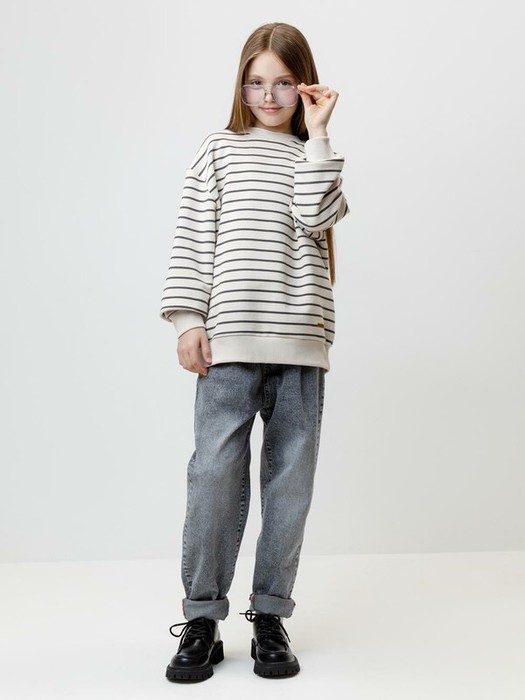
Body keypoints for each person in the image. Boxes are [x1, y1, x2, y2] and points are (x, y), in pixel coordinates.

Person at [159, 21, 349, 682]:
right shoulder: (219, 150)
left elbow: (317, 217)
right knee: (213, 477)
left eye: (284, 83)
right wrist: (188, 320)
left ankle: (270, 616)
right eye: (256, 82)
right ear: (241, 86)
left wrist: (318, 134)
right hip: (229, 344)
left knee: (289, 486)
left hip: (301, 344)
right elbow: (193, 233)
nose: (268, 96)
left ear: (305, 86)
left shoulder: (314, 157)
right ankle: (202, 619)